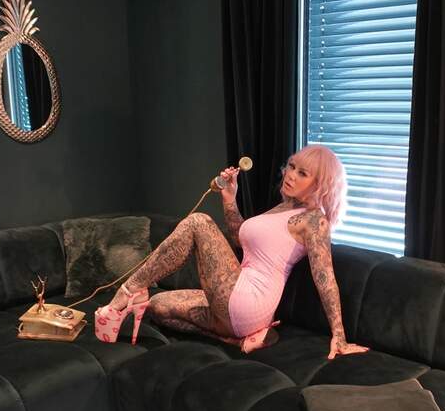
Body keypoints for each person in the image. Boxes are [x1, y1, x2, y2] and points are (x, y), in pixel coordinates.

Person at [94, 144, 369, 359]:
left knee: (198, 222)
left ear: (320, 185)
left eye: (302, 173)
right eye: (291, 166)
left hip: (250, 300)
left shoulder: (314, 220)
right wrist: (230, 198)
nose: (290, 174)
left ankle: (127, 291)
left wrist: (339, 335)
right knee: (157, 305)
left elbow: (325, 277)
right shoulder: (285, 207)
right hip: (236, 299)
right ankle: (234, 338)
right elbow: (239, 238)